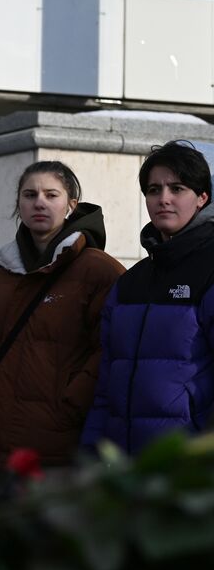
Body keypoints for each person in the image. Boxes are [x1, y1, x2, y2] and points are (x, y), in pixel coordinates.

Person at [0, 162, 124, 464]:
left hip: (61, 443)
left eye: (51, 194)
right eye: (30, 194)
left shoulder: (98, 270)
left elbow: (113, 349)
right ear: (19, 204)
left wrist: (71, 403)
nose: (40, 202)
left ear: (71, 205)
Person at [82, 141, 214, 453]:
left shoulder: (210, 270)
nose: (163, 199)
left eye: (177, 188)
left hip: (188, 468)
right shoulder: (130, 282)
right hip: (127, 470)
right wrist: (92, 452)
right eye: (154, 190)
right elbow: (105, 387)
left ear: (202, 198)